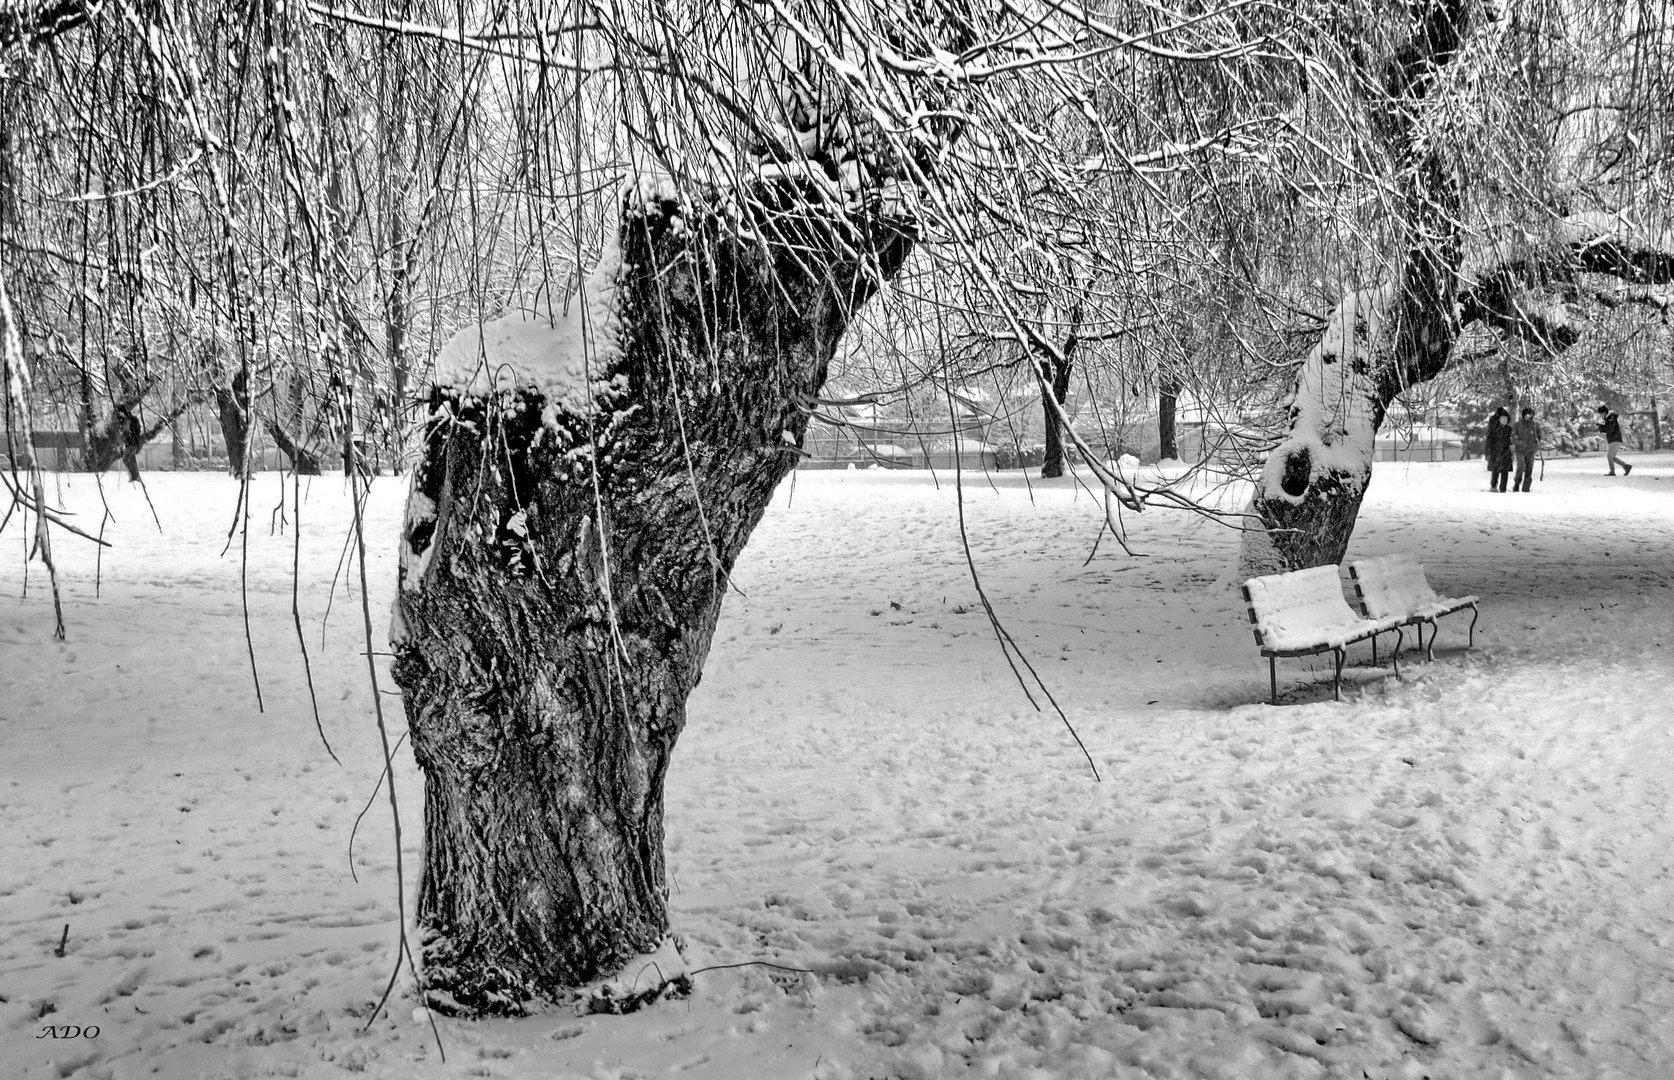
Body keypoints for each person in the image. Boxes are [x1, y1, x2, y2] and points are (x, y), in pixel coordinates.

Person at [1595, 403, 1634, 476]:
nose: (1601, 416)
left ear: (1604, 412)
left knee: (1610, 456)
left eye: (1601, 414)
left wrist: (1601, 427)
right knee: (1612, 457)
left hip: (1615, 439)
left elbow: (1610, 429)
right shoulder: (1609, 418)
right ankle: (1626, 466)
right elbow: (1608, 428)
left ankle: (1612, 471)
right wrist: (1602, 427)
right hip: (1612, 439)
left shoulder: (1610, 418)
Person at [1511, 406, 1541, 492]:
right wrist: (1519, 443)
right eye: (1527, 414)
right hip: (1520, 450)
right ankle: (1517, 483)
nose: (1528, 416)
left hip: (1531, 451)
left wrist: (1535, 446)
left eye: (1530, 415)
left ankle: (1526, 487)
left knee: (1529, 469)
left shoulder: (1535, 425)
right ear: (1523, 415)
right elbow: (1513, 437)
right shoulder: (1517, 425)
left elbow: (1539, 438)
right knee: (1521, 467)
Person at [1485, 406, 1513, 492]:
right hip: (1495, 451)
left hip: (1506, 452)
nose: (1504, 420)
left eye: (1505, 418)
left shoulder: (1510, 429)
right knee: (1495, 469)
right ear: (1499, 419)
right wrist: (1488, 452)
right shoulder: (1494, 429)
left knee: (1505, 471)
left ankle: (1503, 488)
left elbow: (1512, 440)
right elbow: (1489, 440)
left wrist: (1512, 449)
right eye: (1502, 418)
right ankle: (1493, 486)